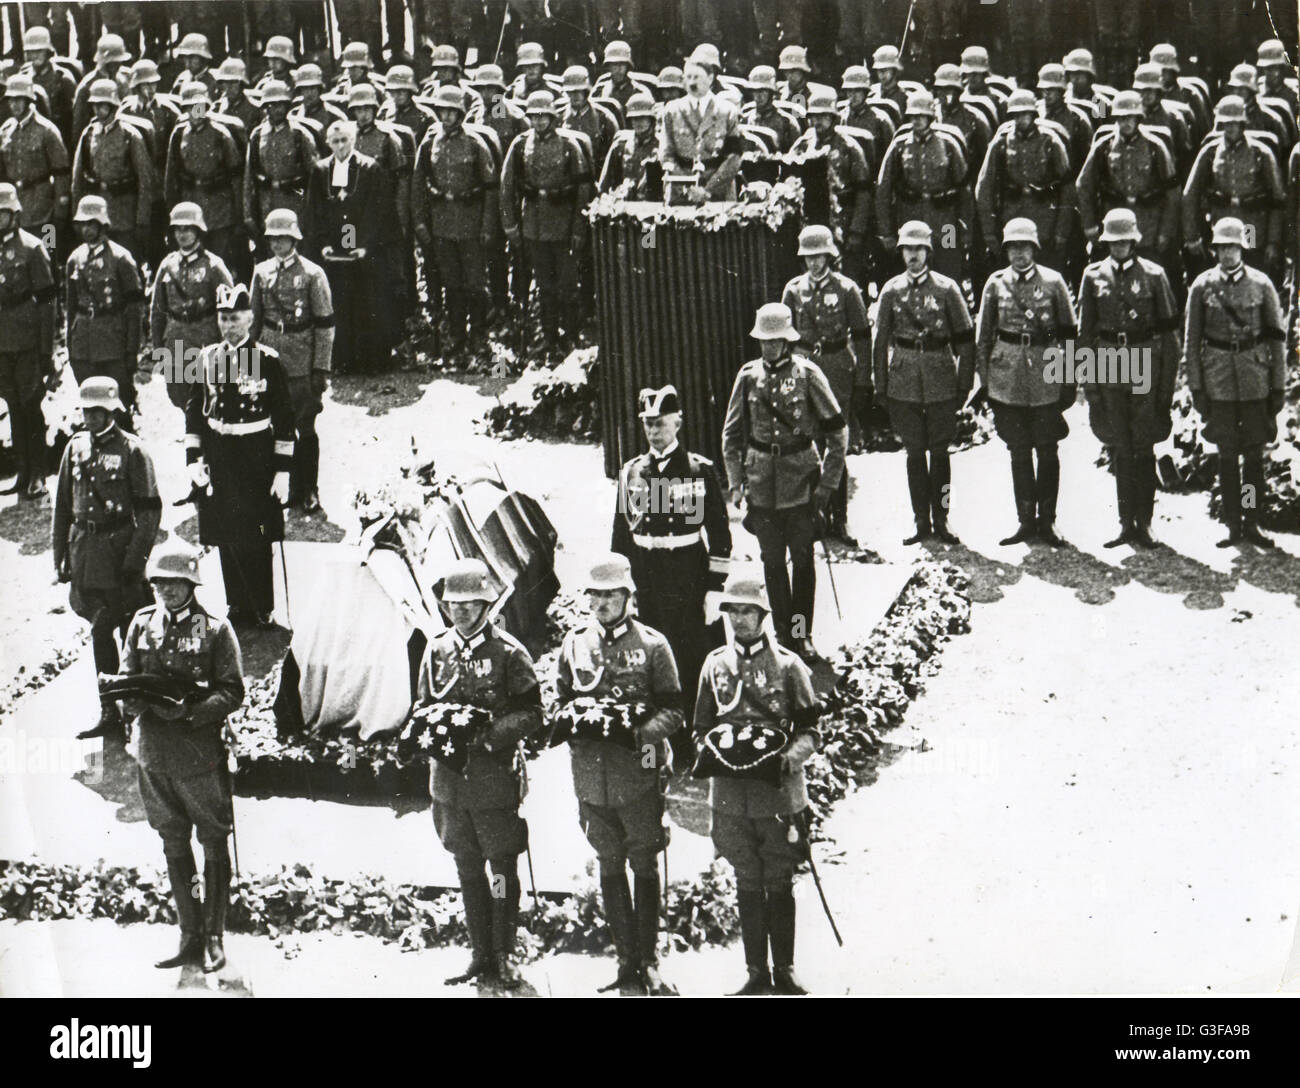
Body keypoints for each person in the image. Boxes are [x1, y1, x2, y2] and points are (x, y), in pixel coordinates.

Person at [555, 554, 684, 995]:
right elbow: (561, 701)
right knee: (609, 862)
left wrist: (639, 735)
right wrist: (574, 725)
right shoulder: (574, 644)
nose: (602, 602)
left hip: (640, 772)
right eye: (595, 594)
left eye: (611, 594)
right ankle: (625, 960)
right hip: (591, 776)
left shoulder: (652, 645)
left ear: (629, 595)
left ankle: (649, 961)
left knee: (643, 860)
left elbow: (674, 710)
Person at [693, 569, 820, 996]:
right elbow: (701, 726)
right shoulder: (714, 665)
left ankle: (784, 969)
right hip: (731, 798)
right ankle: (754, 972)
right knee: (746, 877)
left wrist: (784, 760)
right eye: (733, 611)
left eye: (749, 611)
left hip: (778, 794)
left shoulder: (787, 665)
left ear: (763, 614)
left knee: (779, 877)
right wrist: (717, 752)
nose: (740, 619)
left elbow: (811, 732)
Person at [120, 536, 244, 972]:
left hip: (197, 755)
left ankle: (214, 934)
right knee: (173, 839)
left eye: (174, 583)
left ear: (192, 584)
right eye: (158, 584)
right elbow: (126, 680)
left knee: (212, 839)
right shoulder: (140, 624)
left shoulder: (214, 628)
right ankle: (188, 931)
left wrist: (190, 712)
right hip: (153, 754)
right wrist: (129, 701)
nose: (166, 591)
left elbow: (232, 691)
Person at [419, 558, 543, 990]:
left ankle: (505, 952)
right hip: (450, 783)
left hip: (493, 781)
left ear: (487, 603)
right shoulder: (435, 650)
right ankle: (479, 954)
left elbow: (532, 711)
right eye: (454, 604)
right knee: (466, 867)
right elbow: (423, 706)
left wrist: (490, 735)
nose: (462, 612)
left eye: (471, 604)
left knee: (501, 868)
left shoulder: (509, 653)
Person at [721, 303, 847, 663]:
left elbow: (838, 432)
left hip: (801, 482)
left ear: (788, 340)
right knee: (772, 562)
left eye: (774, 341)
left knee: (803, 561)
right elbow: (731, 435)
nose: (768, 347)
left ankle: (799, 634)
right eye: (763, 340)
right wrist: (736, 482)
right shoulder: (747, 377)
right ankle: (781, 637)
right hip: (761, 484)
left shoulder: (808, 375)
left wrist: (826, 485)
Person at [51, 377, 160, 757]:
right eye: (87, 411)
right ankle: (111, 711)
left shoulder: (133, 451)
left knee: (125, 635)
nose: (93, 418)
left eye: (100, 411)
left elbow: (149, 512)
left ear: (113, 410)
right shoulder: (75, 448)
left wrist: (134, 562)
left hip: (119, 559)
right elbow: (63, 506)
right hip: (86, 556)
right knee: (101, 634)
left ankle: (135, 709)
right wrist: (59, 557)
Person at [611, 383, 731, 716]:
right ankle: (658, 727)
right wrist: (623, 589)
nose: (653, 430)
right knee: (649, 649)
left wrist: (715, 590)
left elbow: (720, 535)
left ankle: (692, 726)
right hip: (646, 575)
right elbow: (620, 539)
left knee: (689, 650)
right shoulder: (632, 472)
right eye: (648, 423)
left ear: (677, 423)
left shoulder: (698, 470)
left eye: (660, 422)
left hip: (686, 574)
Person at [184, 283, 294, 625]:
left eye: (234, 318)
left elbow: (286, 418)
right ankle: (237, 603)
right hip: (221, 457)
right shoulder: (206, 359)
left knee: (257, 532)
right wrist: (193, 460)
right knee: (227, 532)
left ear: (249, 318)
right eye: (223, 318)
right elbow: (194, 412)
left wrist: (283, 470)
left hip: (256, 456)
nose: (228, 326)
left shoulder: (267, 360)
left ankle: (262, 605)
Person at [1077, 208, 1180, 548]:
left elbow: (1169, 335)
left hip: (1144, 358)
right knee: (1120, 445)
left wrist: (1166, 386)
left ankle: (1146, 521)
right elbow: (1084, 335)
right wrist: (1089, 385)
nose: (1119, 247)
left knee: (1144, 443)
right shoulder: (1092, 276)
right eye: (1113, 241)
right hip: (1108, 360)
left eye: (1125, 241)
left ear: (1134, 241)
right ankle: (1125, 523)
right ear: (1106, 242)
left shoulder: (1154, 275)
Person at [974, 217, 1079, 548]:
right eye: (1013, 247)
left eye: (1025, 246)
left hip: (1046, 371)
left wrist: (1070, 378)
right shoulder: (995, 284)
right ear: (1006, 251)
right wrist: (986, 380)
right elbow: (983, 337)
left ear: (1035, 248)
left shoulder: (1053, 282)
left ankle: (1048, 521)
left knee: (1047, 449)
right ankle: (1025, 521)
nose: (1019, 254)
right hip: (1008, 376)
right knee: (1018, 450)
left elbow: (1068, 335)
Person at [1184, 217, 1287, 549]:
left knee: (1253, 454)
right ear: (1215, 250)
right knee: (1226, 454)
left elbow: (1276, 339)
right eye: (1221, 247)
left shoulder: (1261, 285)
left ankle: (1251, 519)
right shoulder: (1201, 286)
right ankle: (1232, 524)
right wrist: (1197, 387)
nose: (1227, 253)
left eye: (1233, 247)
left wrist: (1278, 385)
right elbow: (1192, 341)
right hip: (1219, 380)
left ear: (1243, 248)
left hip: (1255, 377)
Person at [873, 220, 975, 545]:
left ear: (928, 252)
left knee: (941, 452)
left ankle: (943, 517)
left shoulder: (947, 289)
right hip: (903, 379)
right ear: (901, 252)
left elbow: (965, 340)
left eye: (918, 249)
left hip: (940, 375)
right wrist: (881, 384)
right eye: (907, 249)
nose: (913, 255)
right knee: (915, 453)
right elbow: (880, 342)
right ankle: (920, 520)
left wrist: (963, 383)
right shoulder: (891, 290)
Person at [781, 224, 871, 536]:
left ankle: (840, 519)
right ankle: (812, 517)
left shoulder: (846, 289)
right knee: (808, 443)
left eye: (819, 256)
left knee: (836, 445)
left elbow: (862, 337)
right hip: (803, 368)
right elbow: (784, 336)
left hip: (836, 370)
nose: (814, 263)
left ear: (829, 256)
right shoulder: (793, 290)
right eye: (808, 257)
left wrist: (863, 378)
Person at [250, 210, 334, 514]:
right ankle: (276, 486)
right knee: (270, 425)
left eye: (282, 237)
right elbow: (254, 320)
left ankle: (308, 488)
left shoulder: (312, 274)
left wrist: (320, 367)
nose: (277, 243)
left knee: (304, 425)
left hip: (301, 358)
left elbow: (325, 325)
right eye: (272, 238)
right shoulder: (260, 273)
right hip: (269, 354)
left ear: (294, 238)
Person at [500, 90, 593, 354]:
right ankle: (549, 338)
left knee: (567, 286)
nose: (539, 122)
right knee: (544, 286)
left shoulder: (568, 145)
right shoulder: (520, 144)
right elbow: (507, 187)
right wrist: (510, 225)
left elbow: (583, 190)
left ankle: (571, 337)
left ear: (553, 118)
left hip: (563, 226)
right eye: (534, 117)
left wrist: (578, 228)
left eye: (544, 117)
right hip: (533, 227)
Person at [411, 86, 498, 357]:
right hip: (442, 224)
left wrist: (487, 226)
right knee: (451, 282)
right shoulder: (429, 143)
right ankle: (457, 335)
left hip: (471, 222)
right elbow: (418, 186)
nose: (446, 117)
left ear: (460, 114)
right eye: (442, 112)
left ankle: (479, 335)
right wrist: (421, 223)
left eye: (451, 112)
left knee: (475, 282)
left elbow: (490, 188)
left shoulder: (475, 142)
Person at [304, 120, 391, 374]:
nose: (340, 146)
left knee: (365, 303)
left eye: (344, 140)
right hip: (334, 248)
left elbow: (377, 210)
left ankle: (368, 362)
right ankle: (342, 360)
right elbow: (314, 210)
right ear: (328, 144)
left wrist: (364, 244)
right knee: (337, 302)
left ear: (353, 141)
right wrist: (322, 244)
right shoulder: (321, 171)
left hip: (361, 248)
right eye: (335, 141)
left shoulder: (369, 168)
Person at [65, 195, 145, 425]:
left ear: (103, 224)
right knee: (90, 403)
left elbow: (134, 308)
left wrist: (132, 350)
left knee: (118, 405)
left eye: (92, 224)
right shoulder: (74, 259)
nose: (87, 230)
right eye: (83, 224)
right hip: (84, 342)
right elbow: (71, 306)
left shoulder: (121, 259)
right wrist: (71, 342)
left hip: (112, 342)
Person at [974, 89, 1073, 273]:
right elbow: (984, 188)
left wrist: (1062, 231)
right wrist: (988, 232)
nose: (1021, 119)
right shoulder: (1001, 144)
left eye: (1025, 114)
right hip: (1011, 222)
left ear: (1034, 114)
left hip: (1045, 224)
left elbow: (1067, 189)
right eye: (1016, 115)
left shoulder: (1050, 142)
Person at [0, 183, 56, 499]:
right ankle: (22, 471)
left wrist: (46, 349)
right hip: (1, 340)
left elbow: (48, 303)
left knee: (30, 404)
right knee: (11, 404)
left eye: (3, 213)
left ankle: (38, 473)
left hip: (26, 337)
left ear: (15, 215)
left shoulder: (33, 248)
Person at [149, 202, 233, 411]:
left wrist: (229, 350)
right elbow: (157, 312)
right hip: (176, 342)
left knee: (208, 397)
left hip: (206, 341)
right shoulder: (167, 265)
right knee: (179, 396)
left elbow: (232, 311)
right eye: (178, 229)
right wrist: (158, 348)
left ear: (198, 231)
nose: (182, 234)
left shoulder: (214, 266)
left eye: (187, 228)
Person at [70, 79, 153, 260]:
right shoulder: (89, 134)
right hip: (95, 215)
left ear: (113, 106)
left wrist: (142, 220)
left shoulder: (130, 135)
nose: (99, 110)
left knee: (126, 263)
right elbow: (77, 179)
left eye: (103, 106)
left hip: (124, 214)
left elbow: (145, 180)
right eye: (95, 106)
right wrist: (77, 215)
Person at [243, 80, 318, 258]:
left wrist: (312, 213)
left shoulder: (300, 135)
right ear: (265, 108)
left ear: (287, 106)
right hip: (266, 205)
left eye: (280, 105)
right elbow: (249, 177)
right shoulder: (257, 135)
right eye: (271, 105)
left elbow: (315, 175)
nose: (276, 110)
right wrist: (247, 214)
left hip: (295, 205)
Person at [658, 59, 743, 203]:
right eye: (688, 77)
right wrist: (689, 187)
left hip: (718, 190)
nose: (692, 82)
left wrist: (707, 190)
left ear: (710, 79)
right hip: (681, 190)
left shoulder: (727, 111)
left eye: (697, 77)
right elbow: (666, 154)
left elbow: (734, 157)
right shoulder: (672, 111)